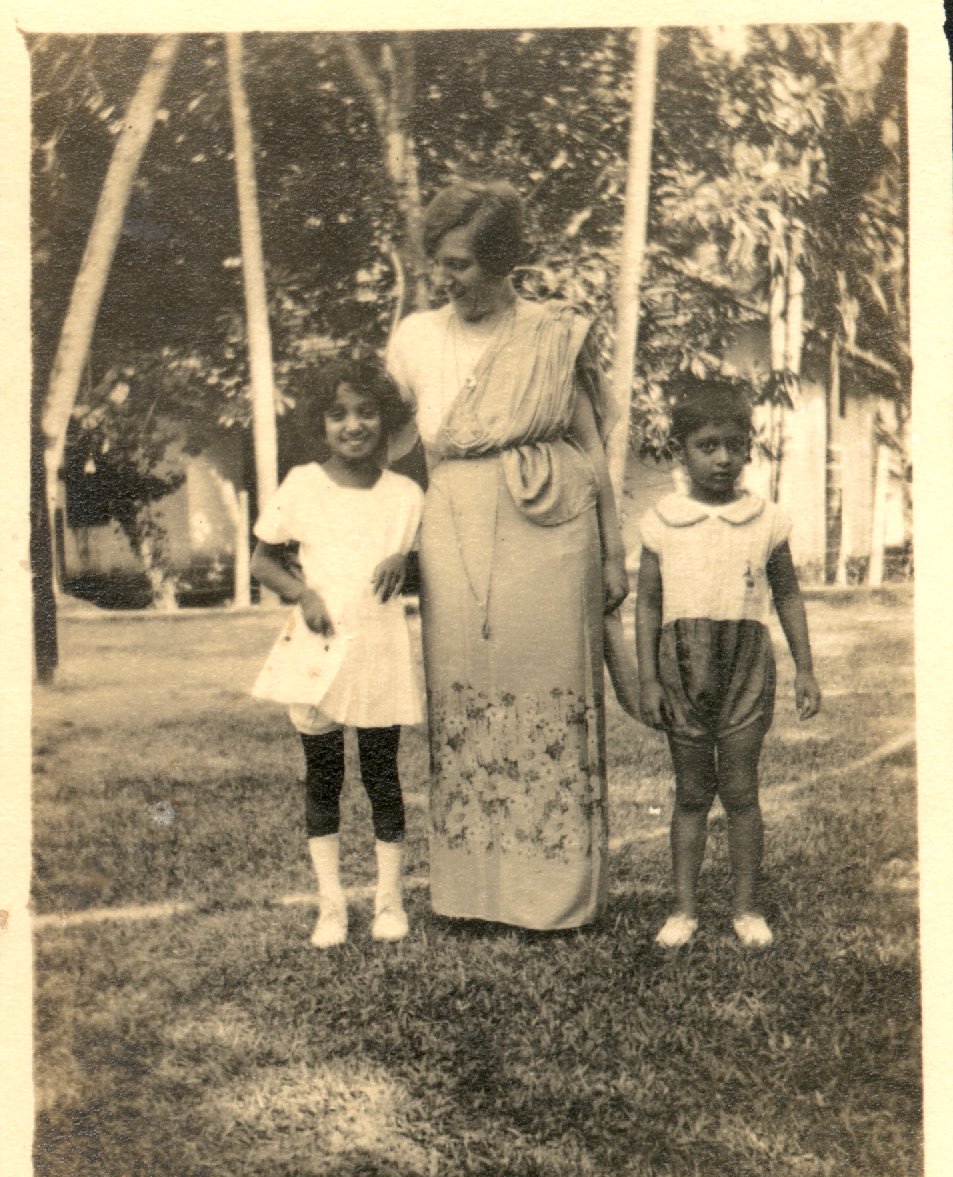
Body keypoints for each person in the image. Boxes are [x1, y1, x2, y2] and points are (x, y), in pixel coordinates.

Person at [385, 179, 631, 931]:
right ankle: (471, 895)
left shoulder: (551, 332)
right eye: (438, 262)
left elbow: (592, 446)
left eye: (460, 264)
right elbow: (391, 451)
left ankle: (553, 895)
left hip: (552, 524)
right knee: (464, 691)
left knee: (548, 689)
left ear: (501, 261)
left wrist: (614, 551)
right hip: (453, 526)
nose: (445, 278)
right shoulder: (414, 338)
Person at [635, 377, 821, 948]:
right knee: (692, 791)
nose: (722, 458)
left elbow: (787, 595)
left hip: (746, 665)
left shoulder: (766, 519)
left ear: (748, 448)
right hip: (682, 666)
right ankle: (683, 910)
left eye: (733, 445)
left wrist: (805, 669)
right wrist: (648, 678)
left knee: (741, 790)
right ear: (681, 450)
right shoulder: (662, 520)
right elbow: (648, 603)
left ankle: (746, 908)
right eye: (707, 445)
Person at [250, 356, 424, 948]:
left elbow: (424, 568)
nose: (353, 425)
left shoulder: (406, 495)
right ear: (320, 424)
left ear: (386, 419)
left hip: (379, 647)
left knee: (381, 774)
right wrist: (303, 594)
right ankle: (331, 906)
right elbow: (263, 560)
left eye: (366, 412)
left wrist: (405, 560)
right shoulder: (303, 484)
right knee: (323, 778)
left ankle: (388, 902)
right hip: (319, 648)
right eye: (338, 414)